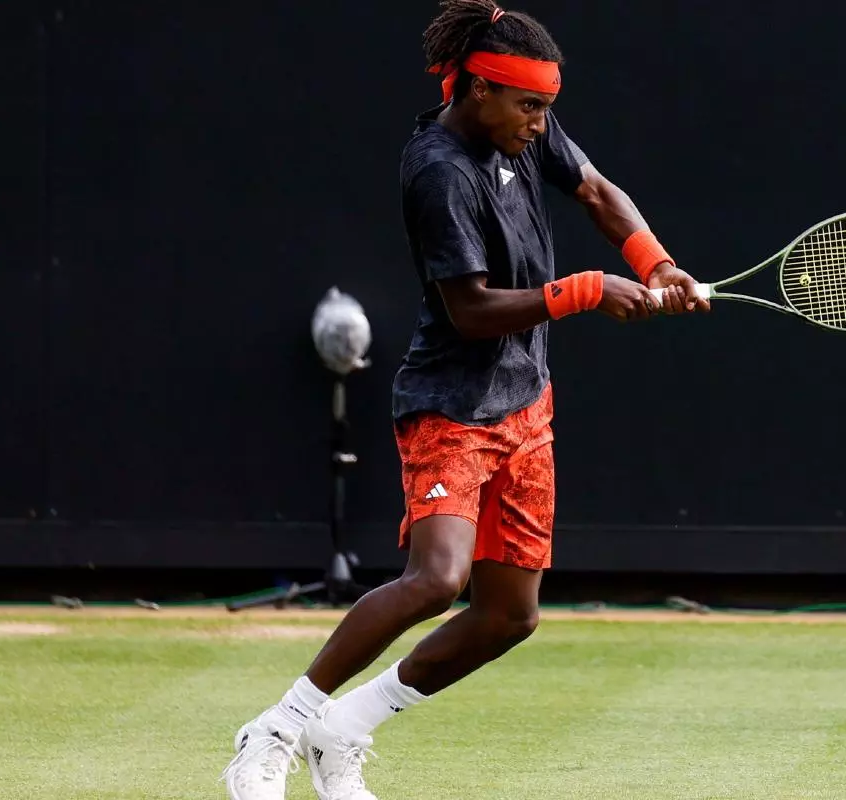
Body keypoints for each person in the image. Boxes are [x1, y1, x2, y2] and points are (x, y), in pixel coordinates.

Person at [222, 2, 709, 798]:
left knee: (510, 615)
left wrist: (654, 261)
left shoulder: (524, 126)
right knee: (437, 580)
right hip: (451, 407)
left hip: (528, 407)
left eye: (547, 108)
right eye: (529, 107)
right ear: (478, 89)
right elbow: (470, 310)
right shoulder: (438, 170)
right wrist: (585, 289)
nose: (541, 124)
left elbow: (591, 188)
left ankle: (343, 732)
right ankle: (275, 727)